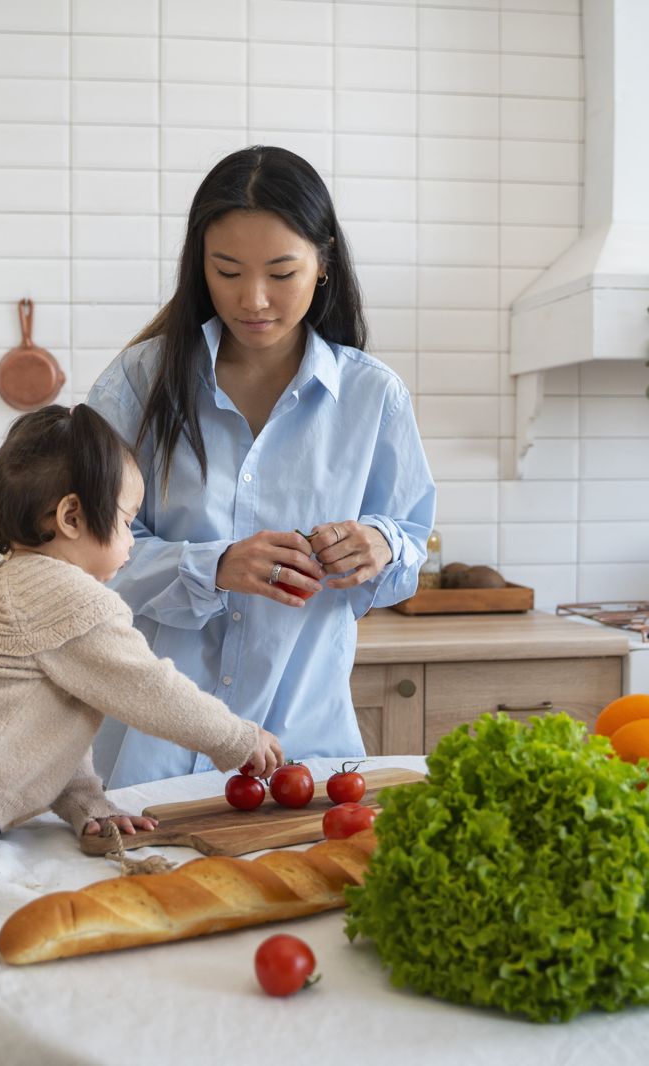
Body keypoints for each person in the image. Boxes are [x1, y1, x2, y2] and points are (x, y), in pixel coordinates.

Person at [0, 404, 284, 1065]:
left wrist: (86, 803)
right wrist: (236, 737)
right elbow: (150, 688)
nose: (134, 538)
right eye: (128, 519)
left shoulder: (23, 582)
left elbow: (53, 726)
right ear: (73, 517)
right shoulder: (68, 596)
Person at [87, 145, 436, 789]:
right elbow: (80, 557)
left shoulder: (373, 397)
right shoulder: (138, 383)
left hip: (306, 752)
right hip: (152, 752)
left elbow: (411, 544)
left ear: (324, 262)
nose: (253, 300)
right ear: (200, 265)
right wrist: (212, 567)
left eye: (281, 273)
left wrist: (381, 544)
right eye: (227, 271)